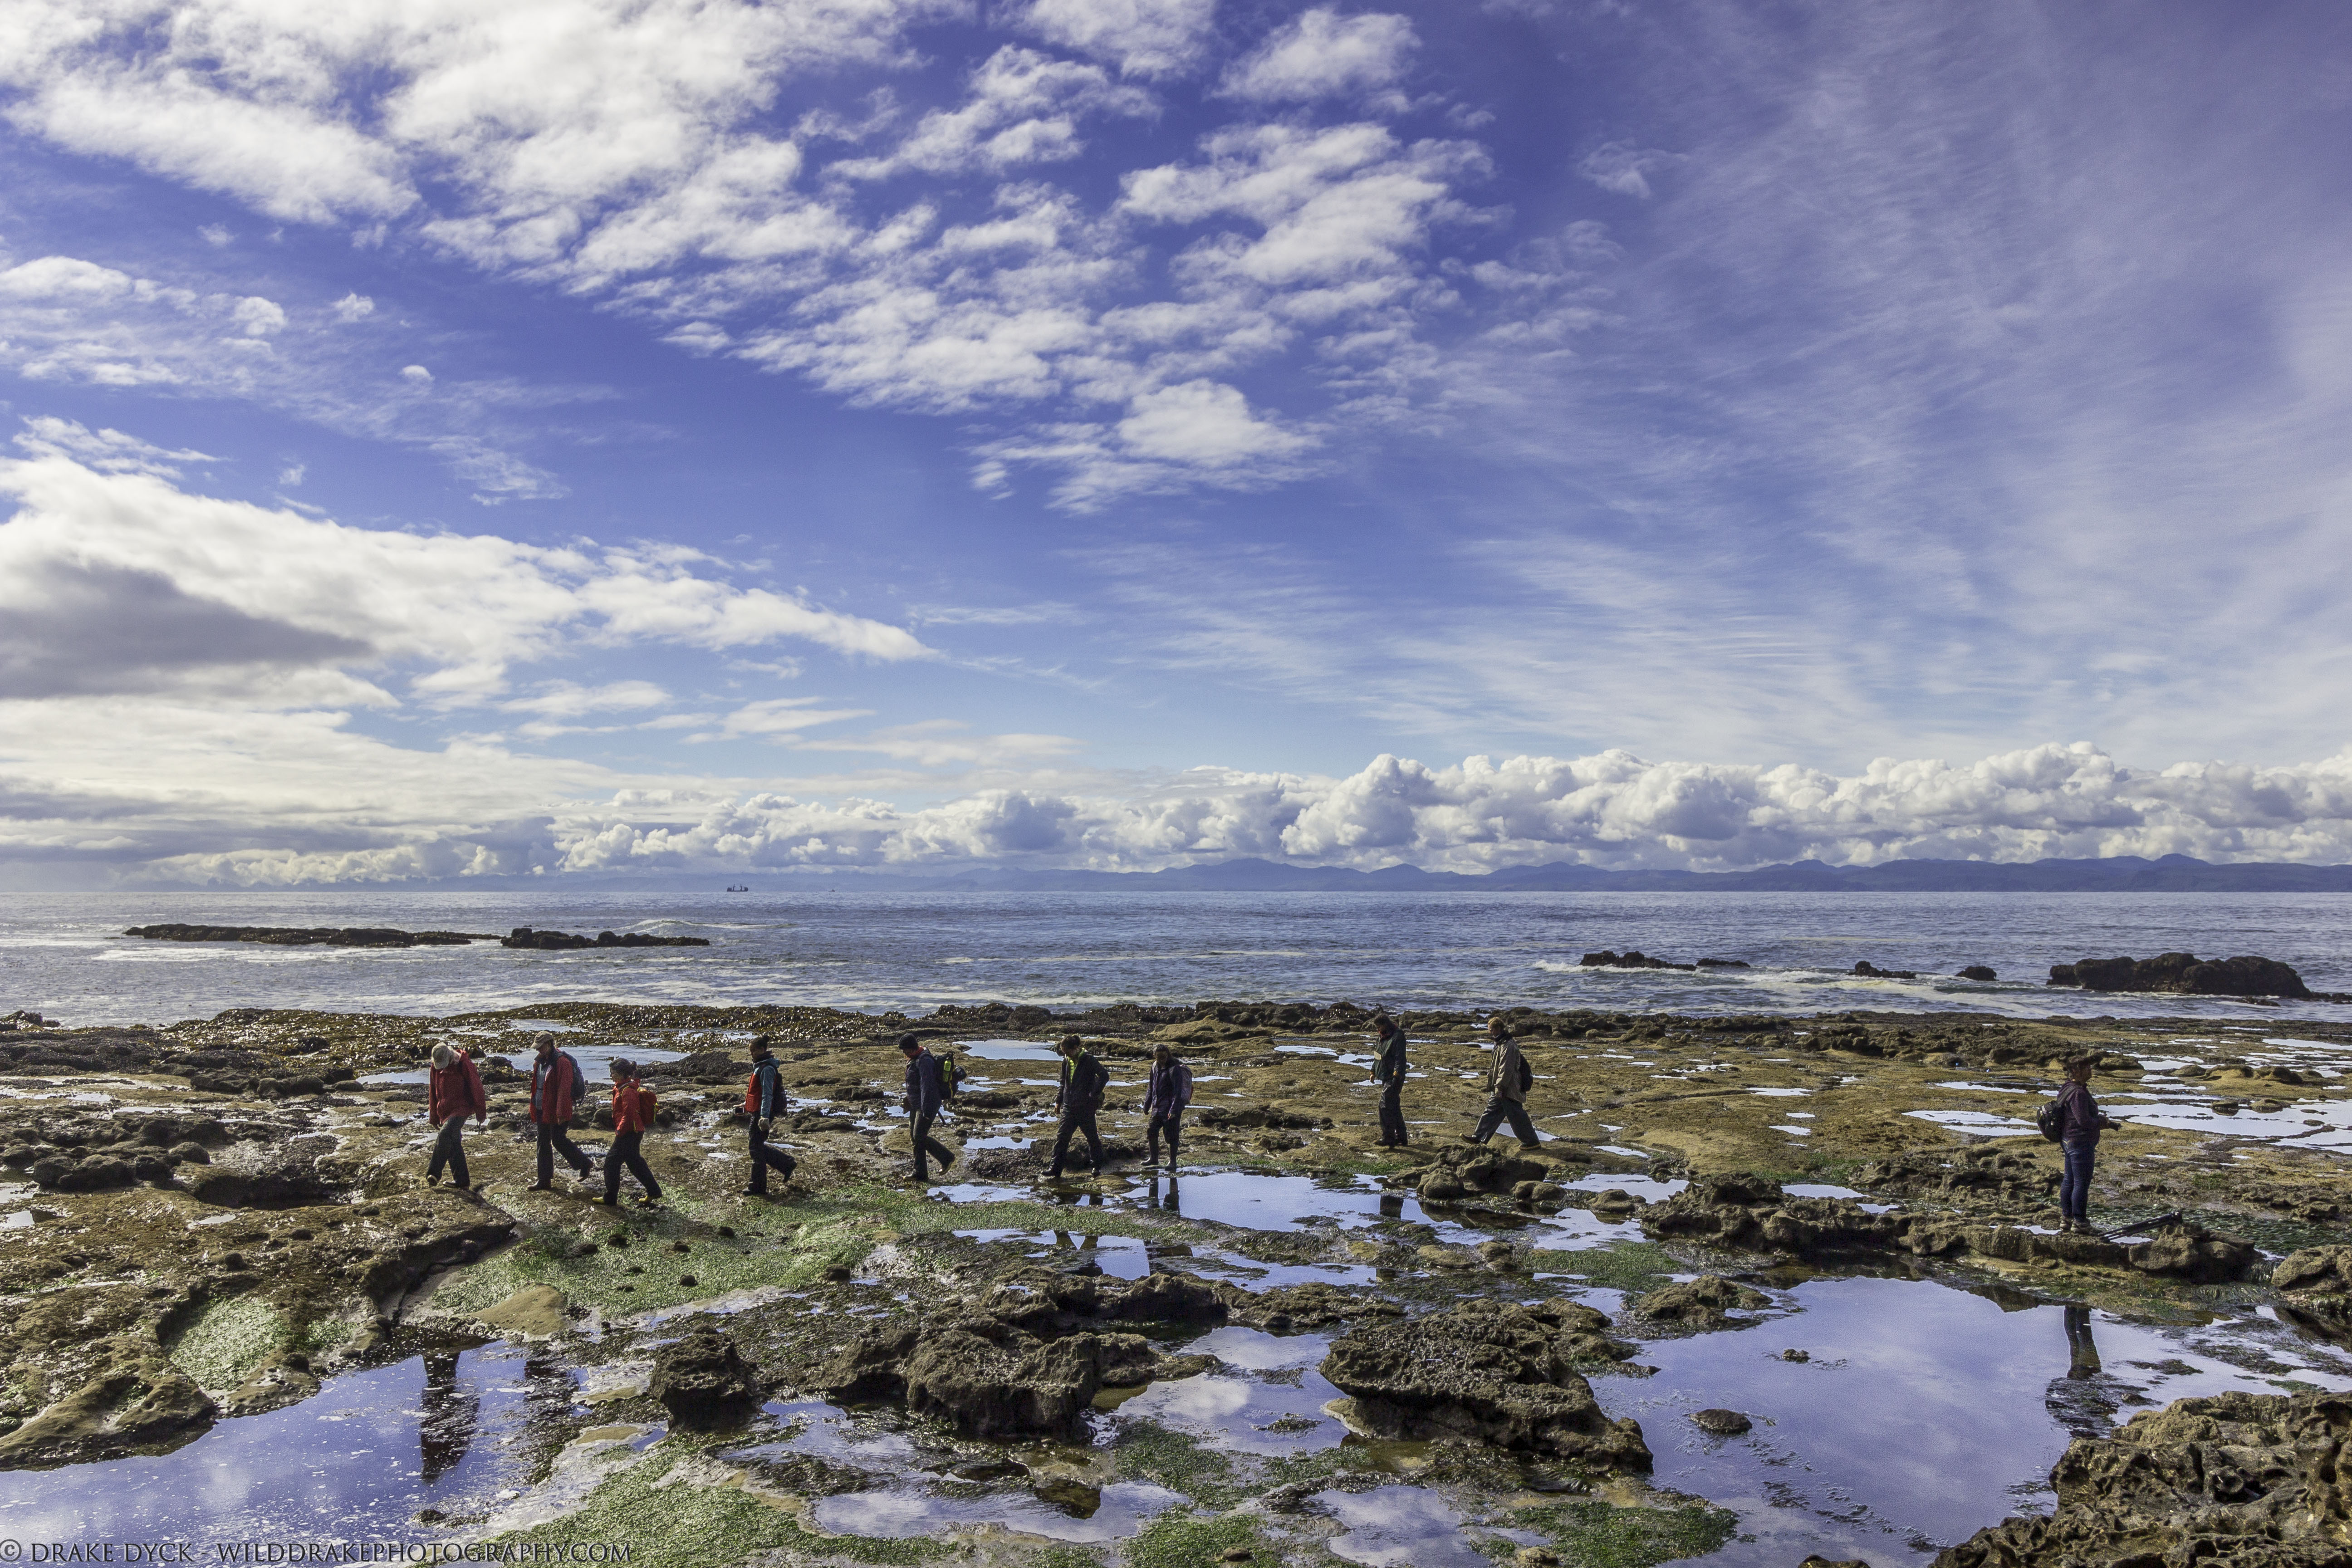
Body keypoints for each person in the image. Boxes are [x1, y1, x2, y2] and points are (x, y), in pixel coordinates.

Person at [2054, 1054, 2121, 1233]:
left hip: (2068, 1140)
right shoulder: (2078, 1093)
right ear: (2075, 1071)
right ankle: (2080, 1222)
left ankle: (2066, 1219)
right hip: (2080, 1143)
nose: (2091, 1070)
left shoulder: (2068, 1088)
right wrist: (2101, 1123)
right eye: (2087, 1067)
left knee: (2070, 1180)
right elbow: (2084, 1121)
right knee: (2081, 1183)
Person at [527, 1032, 594, 1191]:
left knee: (558, 1140)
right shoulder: (539, 1062)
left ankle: (585, 1163)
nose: (538, 1050)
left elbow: (564, 1090)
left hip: (556, 1109)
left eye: (540, 1047)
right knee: (543, 1143)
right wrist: (533, 1107)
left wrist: (561, 1113)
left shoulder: (562, 1063)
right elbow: (536, 1086)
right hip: (541, 1108)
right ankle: (544, 1180)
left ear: (549, 1044)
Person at [597, 1059, 663, 1207]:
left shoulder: (628, 1091)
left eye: (613, 1073)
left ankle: (610, 1198)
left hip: (630, 1132)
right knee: (634, 1163)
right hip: (634, 1131)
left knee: (611, 1163)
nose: (611, 1076)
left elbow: (630, 1114)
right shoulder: (622, 1088)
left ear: (622, 1074)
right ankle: (654, 1191)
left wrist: (620, 1130)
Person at [425, 1040, 487, 1189]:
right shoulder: (435, 1067)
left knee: (445, 1134)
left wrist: (480, 1112)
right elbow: (433, 1092)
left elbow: (476, 1087)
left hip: (462, 1107)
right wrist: (434, 1117)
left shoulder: (463, 1064)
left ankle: (434, 1173)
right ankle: (462, 1180)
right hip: (445, 1110)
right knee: (453, 1141)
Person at [1470, 1020, 1540, 1149]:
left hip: (1509, 1087)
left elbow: (1506, 1069)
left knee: (1517, 1115)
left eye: (1491, 1030)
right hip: (1502, 1087)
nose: (1490, 1033)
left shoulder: (1508, 1045)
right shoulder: (1500, 1043)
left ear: (1498, 1028)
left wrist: (1500, 1087)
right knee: (1491, 1111)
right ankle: (1478, 1138)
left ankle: (1532, 1142)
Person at [1046, 1034, 1108, 1178]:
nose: (1065, 1055)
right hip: (1069, 1107)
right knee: (1062, 1138)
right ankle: (1055, 1170)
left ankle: (1097, 1168)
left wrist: (1094, 1093)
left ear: (1076, 1048)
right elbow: (1063, 1083)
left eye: (1067, 1052)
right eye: (1063, 1052)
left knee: (1092, 1138)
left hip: (1085, 1108)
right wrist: (1058, 1102)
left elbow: (1104, 1076)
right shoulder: (1066, 1062)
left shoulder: (1089, 1060)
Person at [742, 1034, 796, 1197]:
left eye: (754, 1051)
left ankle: (757, 1187)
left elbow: (767, 1095)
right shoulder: (760, 1066)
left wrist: (764, 1117)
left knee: (755, 1148)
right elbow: (757, 1094)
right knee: (757, 1146)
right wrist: (745, 1107)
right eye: (751, 1052)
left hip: (763, 1114)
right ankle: (787, 1164)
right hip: (759, 1111)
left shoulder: (767, 1069)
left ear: (762, 1050)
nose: (752, 1054)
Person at [899, 1034, 958, 1182]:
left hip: (927, 1105)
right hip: (916, 1104)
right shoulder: (914, 1058)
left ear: (912, 1048)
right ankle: (920, 1173)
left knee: (919, 1136)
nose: (904, 1053)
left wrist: (925, 1111)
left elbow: (927, 1087)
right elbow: (915, 1085)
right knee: (915, 1137)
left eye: (905, 1050)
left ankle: (947, 1158)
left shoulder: (924, 1061)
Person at [1143, 1044, 1192, 1170]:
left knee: (1172, 1134)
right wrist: (1147, 1104)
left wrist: (1174, 1109)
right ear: (1154, 1056)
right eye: (1159, 1057)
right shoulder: (1154, 1067)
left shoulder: (1174, 1069)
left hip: (1172, 1107)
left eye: (1164, 1057)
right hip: (1157, 1106)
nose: (1162, 1060)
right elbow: (1151, 1087)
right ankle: (1154, 1158)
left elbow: (1178, 1091)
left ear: (1168, 1055)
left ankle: (1173, 1162)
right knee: (1152, 1130)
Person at [1371, 1014, 1409, 1148]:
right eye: (1377, 1027)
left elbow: (1400, 1057)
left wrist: (1397, 1072)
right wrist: (1373, 1071)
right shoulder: (1382, 1037)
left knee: (1384, 1105)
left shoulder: (1398, 1036)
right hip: (1385, 1075)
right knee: (1394, 1106)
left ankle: (1388, 1137)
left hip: (1395, 1077)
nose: (1378, 1030)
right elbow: (1378, 1055)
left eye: (1379, 1026)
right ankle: (1402, 1137)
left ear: (1386, 1024)